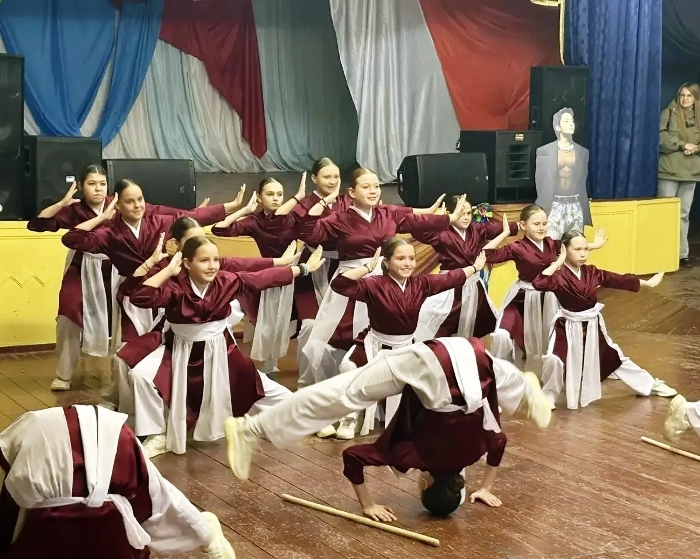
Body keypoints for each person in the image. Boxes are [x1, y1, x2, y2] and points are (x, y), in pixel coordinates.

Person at [222, 336, 552, 488]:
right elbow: (360, 455)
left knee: (344, 394)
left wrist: (485, 488)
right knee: (343, 394)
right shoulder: (417, 457)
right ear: (425, 483)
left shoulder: (474, 452)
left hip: (473, 361)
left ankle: (526, 389)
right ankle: (249, 430)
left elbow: (498, 441)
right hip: (433, 369)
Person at [123, 237, 325, 457]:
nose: (212, 266)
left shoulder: (226, 281)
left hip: (221, 350)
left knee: (263, 389)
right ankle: (157, 434)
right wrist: (169, 270)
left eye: (216, 260)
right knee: (141, 376)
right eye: (204, 260)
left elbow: (261, 278)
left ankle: (311, 416)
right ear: (187, 263)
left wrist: (303, 268)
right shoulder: (175, 286)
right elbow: (140, 296)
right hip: (179, 349)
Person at [26, 165, 202, 392]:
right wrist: (62, 204)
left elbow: (162, 211)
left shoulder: (121, 202)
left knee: (127, 320)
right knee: (69, 314)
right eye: (91, 184)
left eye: (102, 184)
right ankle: (64, 373)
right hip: (83, 265)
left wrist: (195, 214)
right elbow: (37, 224)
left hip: (118, 267)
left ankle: (127, 378)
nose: (98, 189)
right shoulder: (76, 209)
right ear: (81, 187)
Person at [297, 168, 465, 389]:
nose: (373, 191)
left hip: (386, 279)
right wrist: (321, 204)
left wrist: (449, 218)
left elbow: (419, 221)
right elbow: (308, 233)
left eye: (376, 186)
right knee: (334, 336)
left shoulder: (388, 213)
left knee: (386, 329)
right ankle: (337, 386)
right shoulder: (339, 218)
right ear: (352, 192)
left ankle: (378, 386)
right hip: (353, 279)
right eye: (366, 187)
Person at [0, 405, 235, 558]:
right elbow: (157, 502)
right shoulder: (121, 442)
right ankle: (205, 532)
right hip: (111, 536)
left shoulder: (30, 437)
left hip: (42, 535)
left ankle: (205, 532)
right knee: (154, 500)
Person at [319, 237, 485, 440]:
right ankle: (350, 418)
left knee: (429, 380)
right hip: (375, 344)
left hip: (406, 347)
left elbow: (450, 278)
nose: (408, 263)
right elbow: (339, 284)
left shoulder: (421, 284)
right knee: (349, 367)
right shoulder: (373, 284)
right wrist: (368, 267)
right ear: (387, 262)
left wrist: (475, 268)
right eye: (401, 259)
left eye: (411, 258)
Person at [61, 179, 245, 351]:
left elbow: (188, 216)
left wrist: (230, 205)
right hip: (132, 291)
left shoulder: (158, 222)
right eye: (129, 201)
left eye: (140, 199)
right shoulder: (109, 233)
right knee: (129, 347)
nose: (137, 205)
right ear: (117, 205)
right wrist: (102, 217)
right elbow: (71, 238)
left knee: (162, 345)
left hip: (160, 287)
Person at [532, 230, 677, 408]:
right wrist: (558, 262)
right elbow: (538, 283)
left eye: (586, 249)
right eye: (577, 249)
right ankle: (548, 395)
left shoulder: (592, 272)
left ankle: (649, 384)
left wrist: (646, 283)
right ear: (564, 250)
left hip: (592, 325)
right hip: (566, 326)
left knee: (614, 356)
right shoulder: (558, 275)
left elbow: (617, 279)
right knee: (554, 359)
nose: (583, 254)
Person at [486, 204, 606, 373]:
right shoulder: (517, 247)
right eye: (536, 224)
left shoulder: (552, 244)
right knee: (503, 334)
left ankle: (562, 369)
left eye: (544, 223)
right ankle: (502, 373)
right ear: (523, 225)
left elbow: (572, 249)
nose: (541, 228)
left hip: (550, 297)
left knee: (552, 337)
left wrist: (595, 245)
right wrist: (505, 233)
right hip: (523, 297)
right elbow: (488, 255)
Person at [413, 195, 519, 341]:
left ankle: (471, 350)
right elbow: (418, 230)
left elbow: (494, 228)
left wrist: (517, 226)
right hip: (450, 286)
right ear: (450, 214)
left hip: (474, 285)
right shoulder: (440, 233)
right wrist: (438, 221)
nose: (466, 217)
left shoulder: (476, 229)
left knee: (479, 322)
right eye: (461, 213)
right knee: (438, 320)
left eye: (468, 213)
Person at [658, 82, 700, 269]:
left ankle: (682, 254)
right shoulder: (669, 112)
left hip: (691, 173)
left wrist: (696, 148)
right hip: (669, 171)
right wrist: (683, 145)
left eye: (689, 95)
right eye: (682, 95)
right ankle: (663, 253)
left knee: (683, 215)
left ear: (695, 98)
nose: (685, 99)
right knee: (665, 214)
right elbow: (661, 139)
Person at [535, 107, 592, 240]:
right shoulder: (544, 151)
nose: (571, 124)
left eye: (572, 121)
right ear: (557, 127)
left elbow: (582, 179)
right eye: (566, 121)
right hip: (554, 204)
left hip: (575, 204)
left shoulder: (582, 152)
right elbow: (540, 182)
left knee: (575, 243)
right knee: (551, 244)